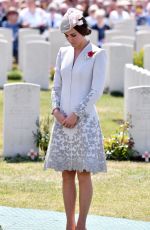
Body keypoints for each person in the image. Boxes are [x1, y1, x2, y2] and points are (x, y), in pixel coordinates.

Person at [44, 8, 107, 230]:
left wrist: (76, 114)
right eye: (67, 36)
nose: (70, 39)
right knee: (66, 174)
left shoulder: (98, 54)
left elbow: (95, 91)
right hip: (62, 122)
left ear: (83, 31)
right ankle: (69, 223)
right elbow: (56, 87)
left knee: (83, 173)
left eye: (74, 35)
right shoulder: (62, 53)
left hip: (84, 121)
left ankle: (82, 224)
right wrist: (56, 111)